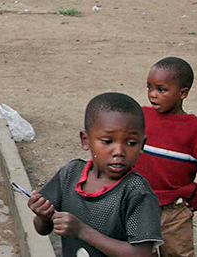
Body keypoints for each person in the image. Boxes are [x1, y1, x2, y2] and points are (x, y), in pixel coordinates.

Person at [28, 92, 163, 257]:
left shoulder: (136, 192)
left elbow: (141, 253)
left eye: (131, 143)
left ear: (142, 144)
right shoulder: (70, 174)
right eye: (107, 141)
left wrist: (82, 231)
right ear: (85, 140)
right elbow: (42, 229)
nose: (119, 151)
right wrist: (43, 216)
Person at [135, 57, 197, 257]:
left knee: (177, 253)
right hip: (137, 205)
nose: (152, 95)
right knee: (136, 252)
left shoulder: (196, 131)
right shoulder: (140, 118)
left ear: (183, 93)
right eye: (149, 88)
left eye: (161, 89)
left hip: (176, 211)